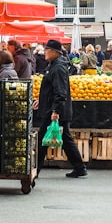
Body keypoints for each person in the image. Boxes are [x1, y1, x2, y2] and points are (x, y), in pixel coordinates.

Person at [33, 39, 88, 178]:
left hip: (55, 111)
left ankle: (35, 170)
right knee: (65, 139)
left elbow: (60, 92)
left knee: (42, 140)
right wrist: (42, 100)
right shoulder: (54, 65)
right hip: (54, 108)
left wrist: (55, 111)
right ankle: (80, 167)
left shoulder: (57, 68)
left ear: (54, 52)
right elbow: (52, 89)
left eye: (47, 50)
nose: (44, 52)